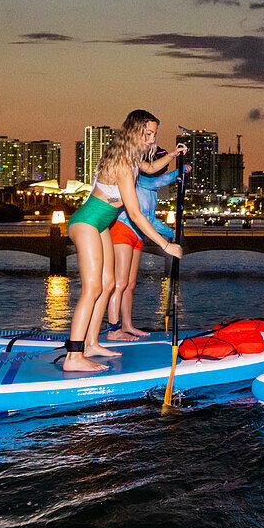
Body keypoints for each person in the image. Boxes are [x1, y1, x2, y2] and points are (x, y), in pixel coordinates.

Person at [63, 109, 185, 372]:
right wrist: (165, 245)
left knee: (108, 285)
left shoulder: (131, 159)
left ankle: (92, 343)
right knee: (93, 288)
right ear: (134, 131)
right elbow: (136, 215)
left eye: (154, 134)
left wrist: (174, 155)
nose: (152, 140)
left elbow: (152, 167)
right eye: (148, 134)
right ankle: (73, 355)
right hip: (85, 223)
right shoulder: (121, 164)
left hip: (101, 226)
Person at [105, 149, 190, 340]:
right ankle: (113, 330)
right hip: (122, 229)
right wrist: (180, 170)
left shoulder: (152, 195)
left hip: (138, 235)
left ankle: (127, 325)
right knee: (120, 283)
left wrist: (173, 232)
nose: (162, 169)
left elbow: (150, 220)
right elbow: (156, 181)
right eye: (161, 165)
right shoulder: (139, 178)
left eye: (166, 167)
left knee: (131, 284)